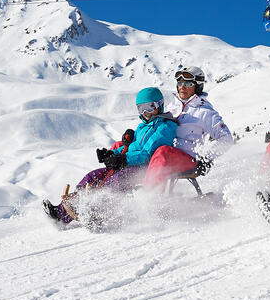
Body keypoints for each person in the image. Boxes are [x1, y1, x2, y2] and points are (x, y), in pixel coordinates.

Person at [43, 87, 177, 223]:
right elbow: (129, 147)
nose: (145, 112)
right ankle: (63, 213)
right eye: (141, 108)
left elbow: (148, 154)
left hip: (146, 169)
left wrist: (124, 159)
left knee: (117, 180)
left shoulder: (165, 127)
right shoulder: (142, 127)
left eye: (149, 107)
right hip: (129, 163)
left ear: (159, 105)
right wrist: (111, 154)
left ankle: (100, 213)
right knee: (92, 176)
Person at [143, 66, 234, 189]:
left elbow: (226, 138)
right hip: (163, 155)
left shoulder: (205, 112)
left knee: (163, 152)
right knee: (127, 148)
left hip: (187, 159)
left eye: (188, 83)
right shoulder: (172, 106)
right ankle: (116, 196)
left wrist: (207, 158)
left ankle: (149, 196)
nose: (182, 87)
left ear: (198, 86)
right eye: (180, 83)